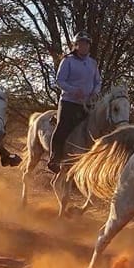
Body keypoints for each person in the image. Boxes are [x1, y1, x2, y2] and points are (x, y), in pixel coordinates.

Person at [47, 31, 102, 173]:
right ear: (76, 45)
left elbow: (98, 81)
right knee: (62, 127)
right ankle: (55, 158)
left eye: (87, 44)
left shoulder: (92, 63)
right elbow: (60, 80)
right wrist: (73, 90)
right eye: (81, 44)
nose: (84, 46)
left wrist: (95, 92)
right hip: (69, 102)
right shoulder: (68, 61)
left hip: (87, 104)